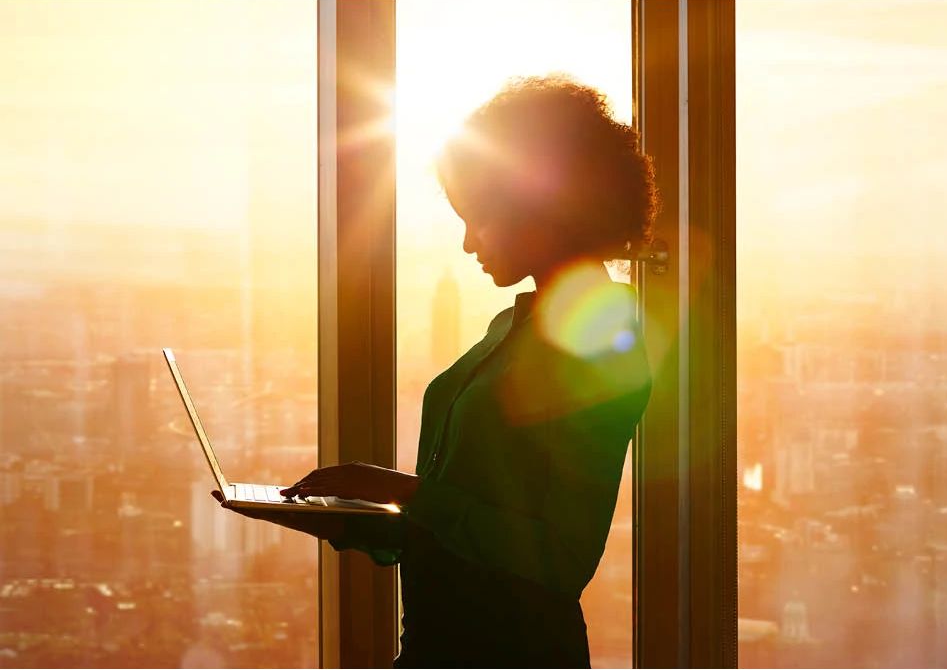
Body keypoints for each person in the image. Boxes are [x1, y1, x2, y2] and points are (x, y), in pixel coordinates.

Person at [216, 75, 658, 668]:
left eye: (479, 217)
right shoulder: (511, 327)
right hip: (438, 645)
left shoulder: (602, 344)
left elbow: (560, 556)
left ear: (542, 206)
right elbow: (466, 514)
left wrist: (401, 492)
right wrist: (352, 515)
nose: (469, 242)